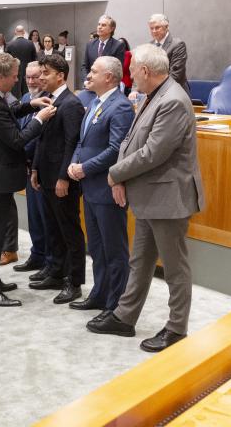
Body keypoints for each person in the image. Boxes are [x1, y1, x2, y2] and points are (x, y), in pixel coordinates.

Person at [88, 45, 204, 353]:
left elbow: (154, 152)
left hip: (168, 197)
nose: (131, 76)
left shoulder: (173, 100)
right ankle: (125, 316)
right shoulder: (157, 95)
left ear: (146, 71)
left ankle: (177, 329)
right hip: (151, 195)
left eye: (133, 70)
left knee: (175, 268)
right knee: (139, 261)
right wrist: (122, 173)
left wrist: (115, 173)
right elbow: (131, 140)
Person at [0, 53, 56, 307]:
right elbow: (17, 139)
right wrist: (39, 120)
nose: (17, 80)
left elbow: (9, 111)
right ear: (1, 77)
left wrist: (30, 105)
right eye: (13, 76)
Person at [67, 56, 134, 314]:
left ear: (109, 77)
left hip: (107, 188)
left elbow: (116, 149)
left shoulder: (121, 107)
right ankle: (100, 294)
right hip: (90, 187)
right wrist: (74, 162)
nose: (88, 74)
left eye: (94, 71)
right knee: (96, 247)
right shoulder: (94, 101)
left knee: (114, 250)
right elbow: (82, 142)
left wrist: (84, 168)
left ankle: (116, 305)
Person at [29, 53, 86, 305]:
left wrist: (64, 177)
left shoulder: (71, 104)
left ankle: (74, 282)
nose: (41, 77)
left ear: (60, 75)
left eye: (46, 73)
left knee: (69, 231)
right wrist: (35, 169)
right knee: (53, 228)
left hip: (62, 179)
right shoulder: (50, 100)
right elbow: (43, 139)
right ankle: (56, 271)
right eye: (40, 73)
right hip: (47, 175)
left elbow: (71, 144)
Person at [12, 62, 51, 274]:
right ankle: (37, 255)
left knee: (44, 215)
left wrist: (23, 153)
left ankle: (47, 259)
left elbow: (40, 137)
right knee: (33, 215)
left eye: (35, 77)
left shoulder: (49, 100)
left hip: (39, 166)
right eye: (27, 77)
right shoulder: (26, 99)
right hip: (26, 165)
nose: (30, 81)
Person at [147, 14, 189, 93]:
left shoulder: (178, 45)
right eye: (151, 28)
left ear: (166, 27)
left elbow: (176, 74)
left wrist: (156, 88)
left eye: (157, 27)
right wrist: (135, 90)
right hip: (154, 92)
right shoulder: (149, 46)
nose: (154, 31)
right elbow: (143, 69)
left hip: (174, 92)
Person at [7, 25, 37, 98]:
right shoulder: (30, 43)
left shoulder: (10, 44)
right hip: (28, 73)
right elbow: (35, 59)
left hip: (14, 73)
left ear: (15, 32)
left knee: (15, 95)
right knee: (27, 96)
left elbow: (7, 61)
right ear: (24, 32)